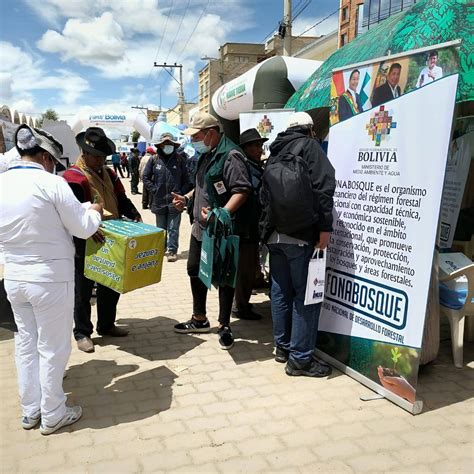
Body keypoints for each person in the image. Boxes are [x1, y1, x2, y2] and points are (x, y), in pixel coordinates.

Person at [0, 124, 103, 434]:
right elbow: (83, 227)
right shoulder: (51, 183)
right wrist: (95, 210)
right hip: (49, 279)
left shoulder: (2, 183)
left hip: (15, 278)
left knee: (26, 344)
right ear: (46, 157)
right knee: (52, 347)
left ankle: (31, 411)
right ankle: (54, 412)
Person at [260, 112, 335, 377]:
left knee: (280, 293)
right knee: (306, 296)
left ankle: (282, 348)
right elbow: (324, 187)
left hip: (275, 237)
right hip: (302, 237)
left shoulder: (275, 150)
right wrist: (325, 227)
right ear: (310, 129)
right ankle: (301, 359)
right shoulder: (310, 147)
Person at [171, 112, 252, 349]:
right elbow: (202, 188)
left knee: (224, 276)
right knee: (194, 268)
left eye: (196, 136)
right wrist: (186, 199)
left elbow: (242, 190)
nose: (193, 141)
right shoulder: (205, 155)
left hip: (221, 229)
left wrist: (221, 214)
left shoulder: (231, 155)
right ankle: (199, 318)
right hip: (200, 228)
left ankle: (224, 325)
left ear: (211, 134)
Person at [64, 127, 142, 353]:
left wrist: (134, 213)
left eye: (103, 157)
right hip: (85, 239)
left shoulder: (110, 173)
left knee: (111, 283)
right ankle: (82, 333)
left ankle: (106, 325)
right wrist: (87, 230)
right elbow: (73, 212)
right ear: (84, 153)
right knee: (83, 289)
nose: (100, 161)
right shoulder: (73, 177)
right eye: (96, 156)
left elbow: (121, 197)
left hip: (112, 236)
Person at [231, 128, 267, 321]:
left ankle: (241, 303)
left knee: (248, 267)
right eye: (255, 145)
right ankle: (240, 307)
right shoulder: (245, 167)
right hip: (245, 227)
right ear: (245, 147)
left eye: (260, 145)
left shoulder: (254, 165)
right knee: (244, 270)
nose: (259, 148)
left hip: (252, 227)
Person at [143, 133, 191, 262]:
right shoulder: (154, 159)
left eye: (170, 144)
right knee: (161, 228)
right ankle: (161, 249)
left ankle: (172, 251)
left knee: (173, 228)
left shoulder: (180, 160)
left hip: (175, 202)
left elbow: (188, 180)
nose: (168, 146)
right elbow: (145, 177)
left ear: (173, 145)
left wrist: (181, 193)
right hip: (159, 201)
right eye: (165, 144)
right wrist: (154, 190)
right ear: (161, 145)